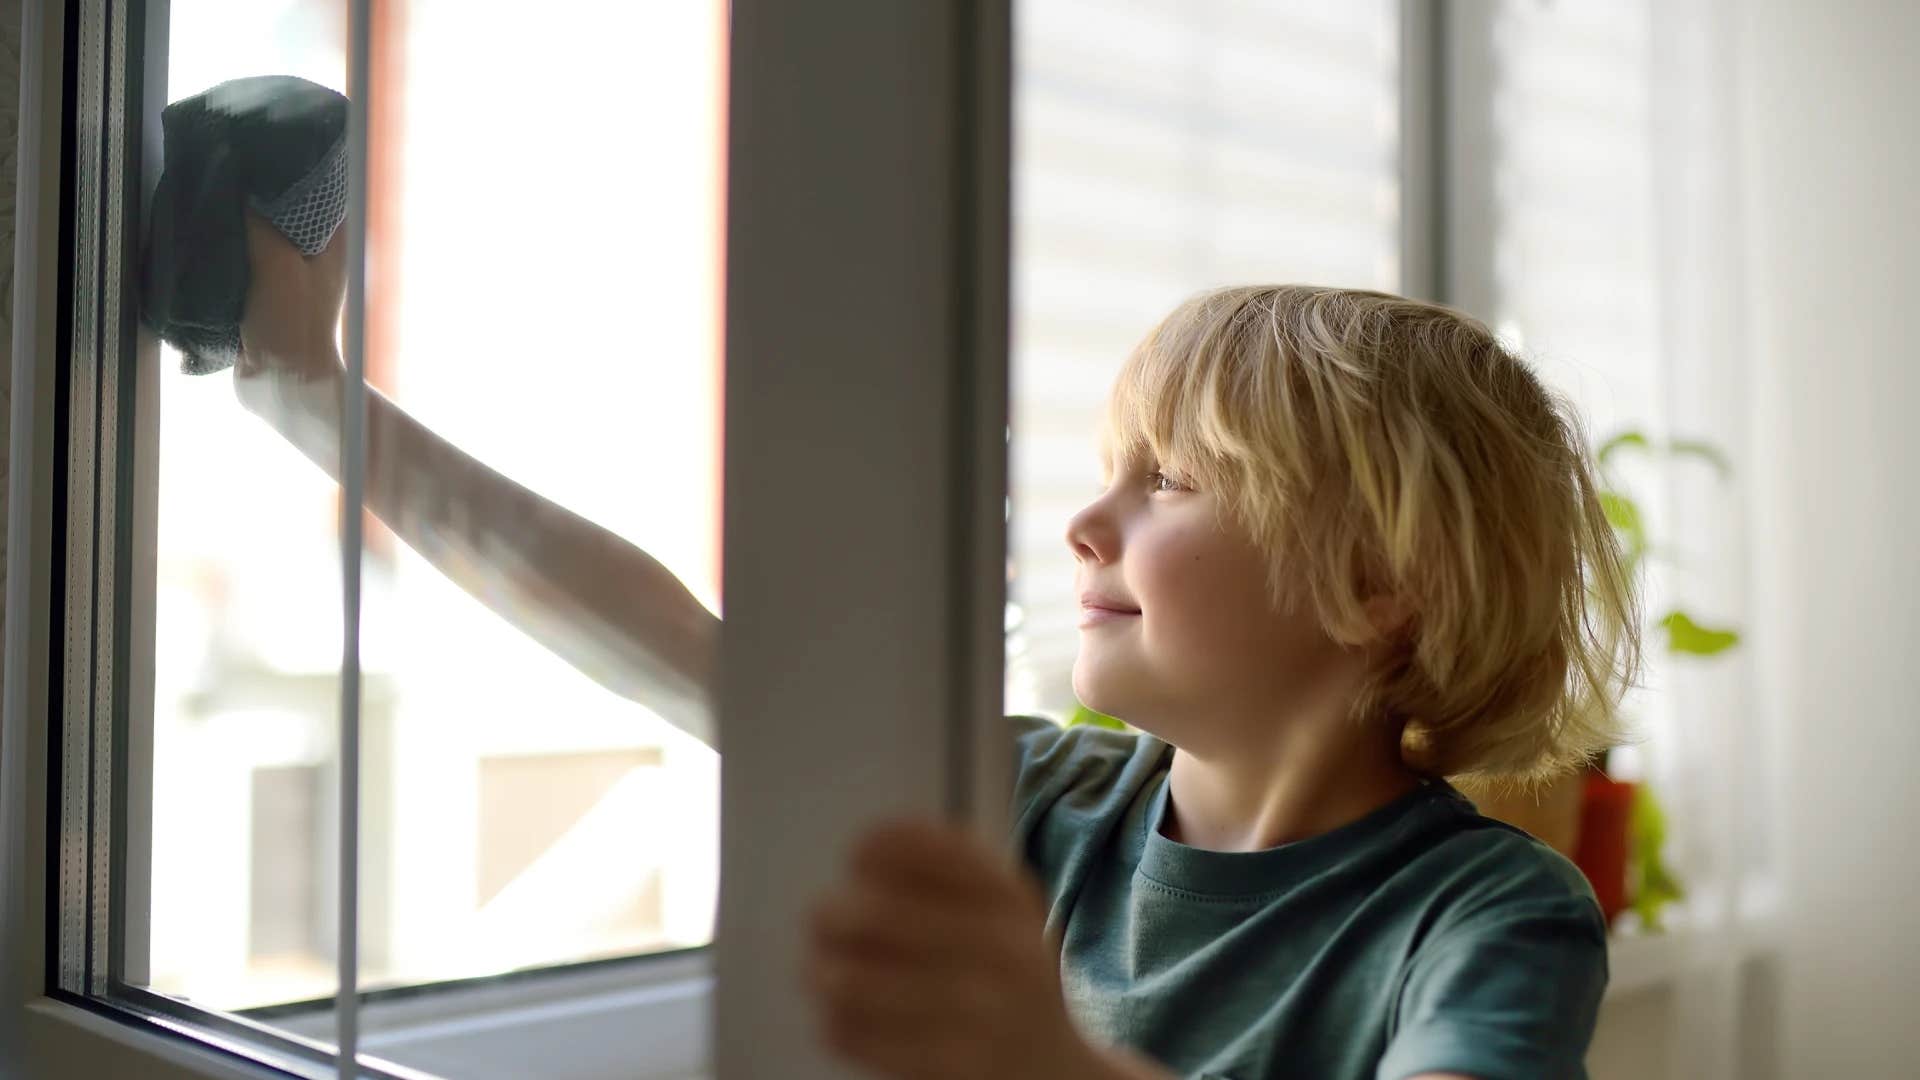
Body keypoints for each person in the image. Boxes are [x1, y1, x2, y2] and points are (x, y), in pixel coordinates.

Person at [236, 213, 1639, 1080]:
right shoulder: (1031, 800)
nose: (1090, 522)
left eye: (1176, 481)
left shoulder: (1489, 917)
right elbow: (654, 633)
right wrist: (313, 398)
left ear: (1380, 585)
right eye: (1109, 469)